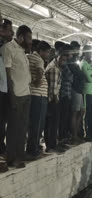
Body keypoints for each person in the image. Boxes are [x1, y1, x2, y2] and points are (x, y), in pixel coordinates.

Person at [2, 25, 33, 168]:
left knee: (23, 126)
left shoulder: (22, 51)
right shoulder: (8, 48)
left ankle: (20, 154)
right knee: (13, 128)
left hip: (26, 93)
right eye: (28, 38)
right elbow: (7, 74)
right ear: (20, 37)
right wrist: (12, 94)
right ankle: (11, 158)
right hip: (16, 94)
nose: (30, 41)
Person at [26, 40, 51, 157]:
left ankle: (32, 147)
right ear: (40, 51)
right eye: (47, 52)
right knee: (38, 124)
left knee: (33, 124)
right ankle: (33, 150)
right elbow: (40, 72)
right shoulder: (38, 59)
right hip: (39, 96)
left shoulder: (28, 56)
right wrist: (37, 82)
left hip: (33, 95)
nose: (48, 55)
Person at [44, 44, 68, 153]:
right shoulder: (54, 69)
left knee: (50, 123)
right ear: (57, 57)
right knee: (53, 123)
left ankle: (51, 144)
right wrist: (55, 99)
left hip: (50, 99)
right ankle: (51, 146)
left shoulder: (55, 66)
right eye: (62, 59)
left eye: (65, 59)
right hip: (52, 99)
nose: (63, 61)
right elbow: (53, 88)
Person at [0, 18, 13, 155]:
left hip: (4, 88)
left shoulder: (6, 47)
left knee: (2, 119)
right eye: (9, 30)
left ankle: (1, 146)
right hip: (2, 87)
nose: (12, 33)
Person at [69, 41, 86, 144]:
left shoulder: (75, 60)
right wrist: (82, 75)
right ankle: (73, 136)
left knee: (81, 112)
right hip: (75, 89)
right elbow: (78, 74)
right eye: (77, 49)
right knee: (74, 113)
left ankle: (76, 133)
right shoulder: (70, 60)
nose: (78, 51)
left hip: (79, 89)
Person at [81, 45, 92, 140]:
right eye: (89, 53)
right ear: (85, 53)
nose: (91, 55)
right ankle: (87, 134)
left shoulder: (89, 65)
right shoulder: (83, 64)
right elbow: (89, 79)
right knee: (87, 114)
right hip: (86, 92)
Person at [59, 44, 73, 141]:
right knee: (63, 116)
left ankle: (63, 136)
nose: (71, 55)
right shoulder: (63, 64)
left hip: (67, 93)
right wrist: (71, 78)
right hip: (63, 93)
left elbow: (71, 78)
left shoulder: (66, 64)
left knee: (65, 115)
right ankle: (61, 136)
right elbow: (69, 77)